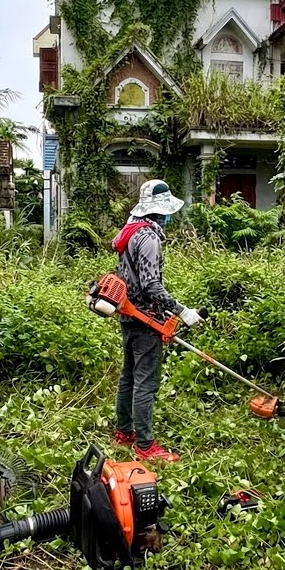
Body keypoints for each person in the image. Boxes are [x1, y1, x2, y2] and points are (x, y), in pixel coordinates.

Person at [110, 179, 204, 462]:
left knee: (128, 376)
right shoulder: (149, 237)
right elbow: (152, 285)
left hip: (127, 314)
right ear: (159, 211)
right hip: (145, 317)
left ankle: (124, 432)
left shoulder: (130, 232)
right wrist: (181, 310)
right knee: (145, 382)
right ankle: (146, 445)